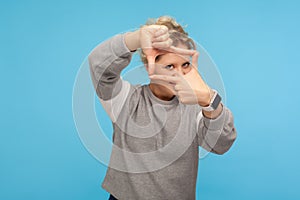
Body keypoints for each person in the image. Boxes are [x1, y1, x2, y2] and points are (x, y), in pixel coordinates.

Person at [88, 16, 237, 200]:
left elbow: (222, 144)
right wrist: (135, 39)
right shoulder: (126, 100)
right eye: (169, 66)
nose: (180, 74)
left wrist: (209, 99)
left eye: (185, 65)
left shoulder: (197, 110)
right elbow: (97, 65)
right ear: (148, 64)